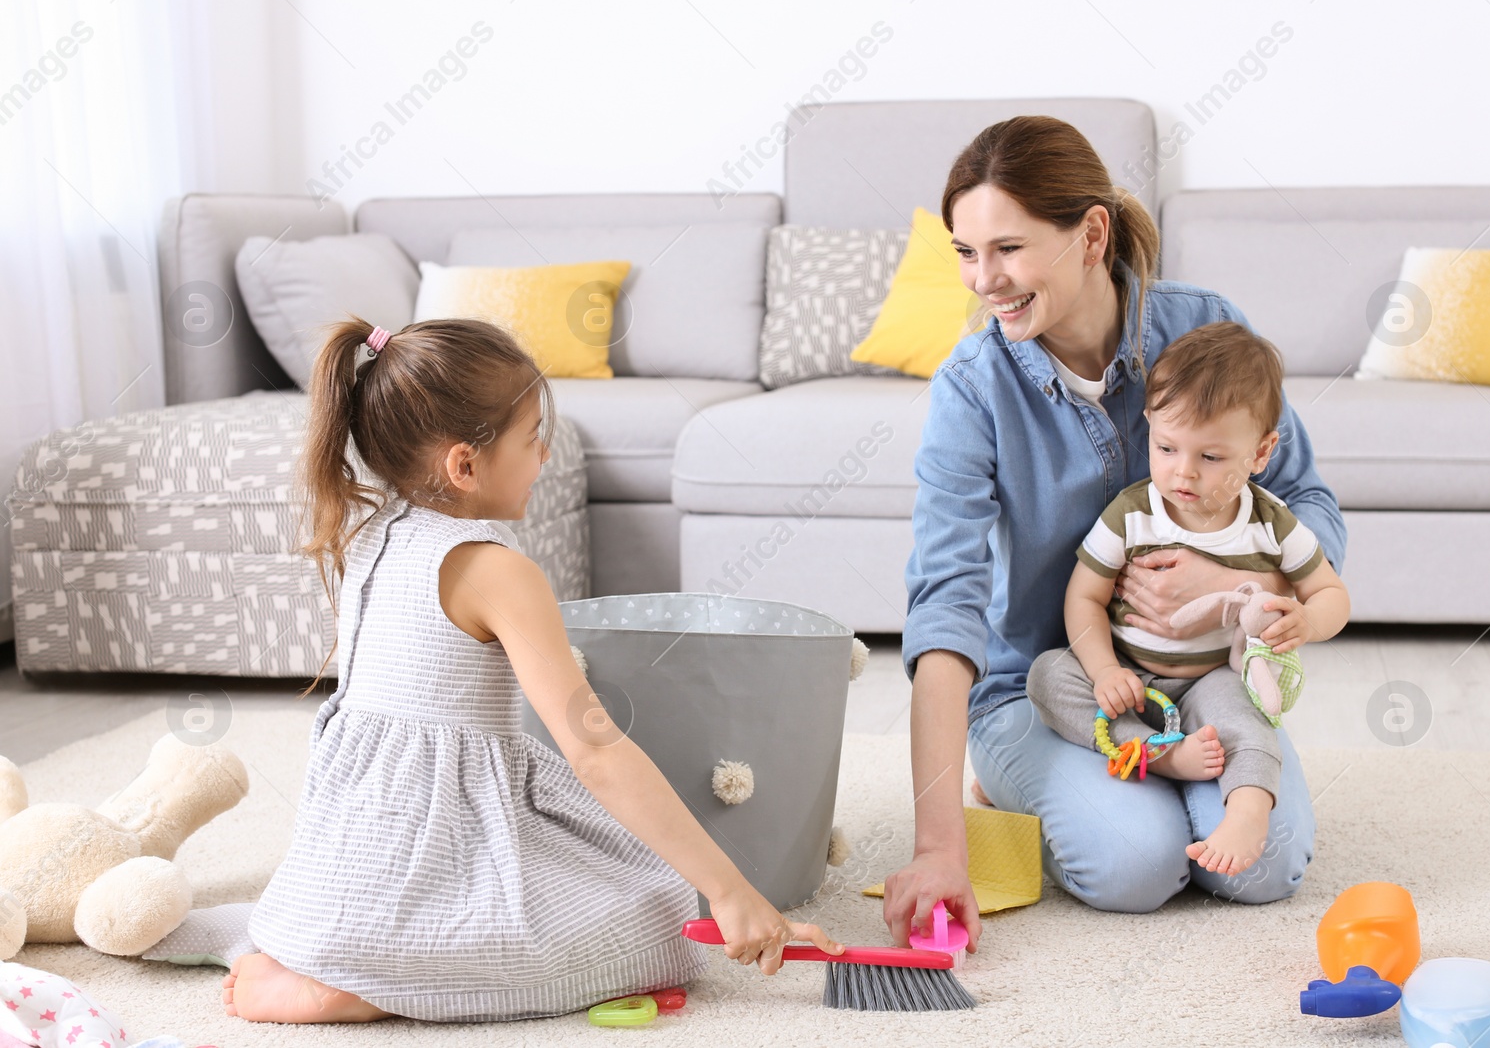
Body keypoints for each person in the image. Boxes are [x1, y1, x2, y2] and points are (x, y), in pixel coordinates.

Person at [225, 318, 841, 1024]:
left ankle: (333, 946)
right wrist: (730, 891)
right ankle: (357, 983)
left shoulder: (372, 534)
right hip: (439, 830)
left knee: (608, 878)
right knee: (654, 918)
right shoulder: (496, 570)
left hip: (352, 846)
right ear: (464, 464)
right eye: (530, 438)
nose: (544, 452)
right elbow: (595, 749)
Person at [881, 116, 1346, 948]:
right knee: (1136, 865)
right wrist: (937, 844)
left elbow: (1303, 492)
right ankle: (1021, 780)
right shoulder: (972, 390)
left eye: (1008, 249)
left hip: (1202, 674)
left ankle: (1158, 775)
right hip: (1040, 684)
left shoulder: (1201, 329)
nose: (984, 280)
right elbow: (945, 605)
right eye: (965, 252)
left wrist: (1244, 590)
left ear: (1091, 233)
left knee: (1266, 863)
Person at [1027, 321, 1351, 877]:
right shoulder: (1132, 513)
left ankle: (1248, 810)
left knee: (1246, 720)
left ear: (1261, 452)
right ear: (1149, 426)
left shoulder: (1270, 523)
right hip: (1128, 671)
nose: (1183, 471)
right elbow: (1083, 596)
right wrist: (1104, 670)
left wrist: (1307, 619)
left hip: (1210, 678)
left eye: (1211, 457)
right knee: (1048, 675)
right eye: (1168, 447)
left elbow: (1330, 593)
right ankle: (1157, 753)